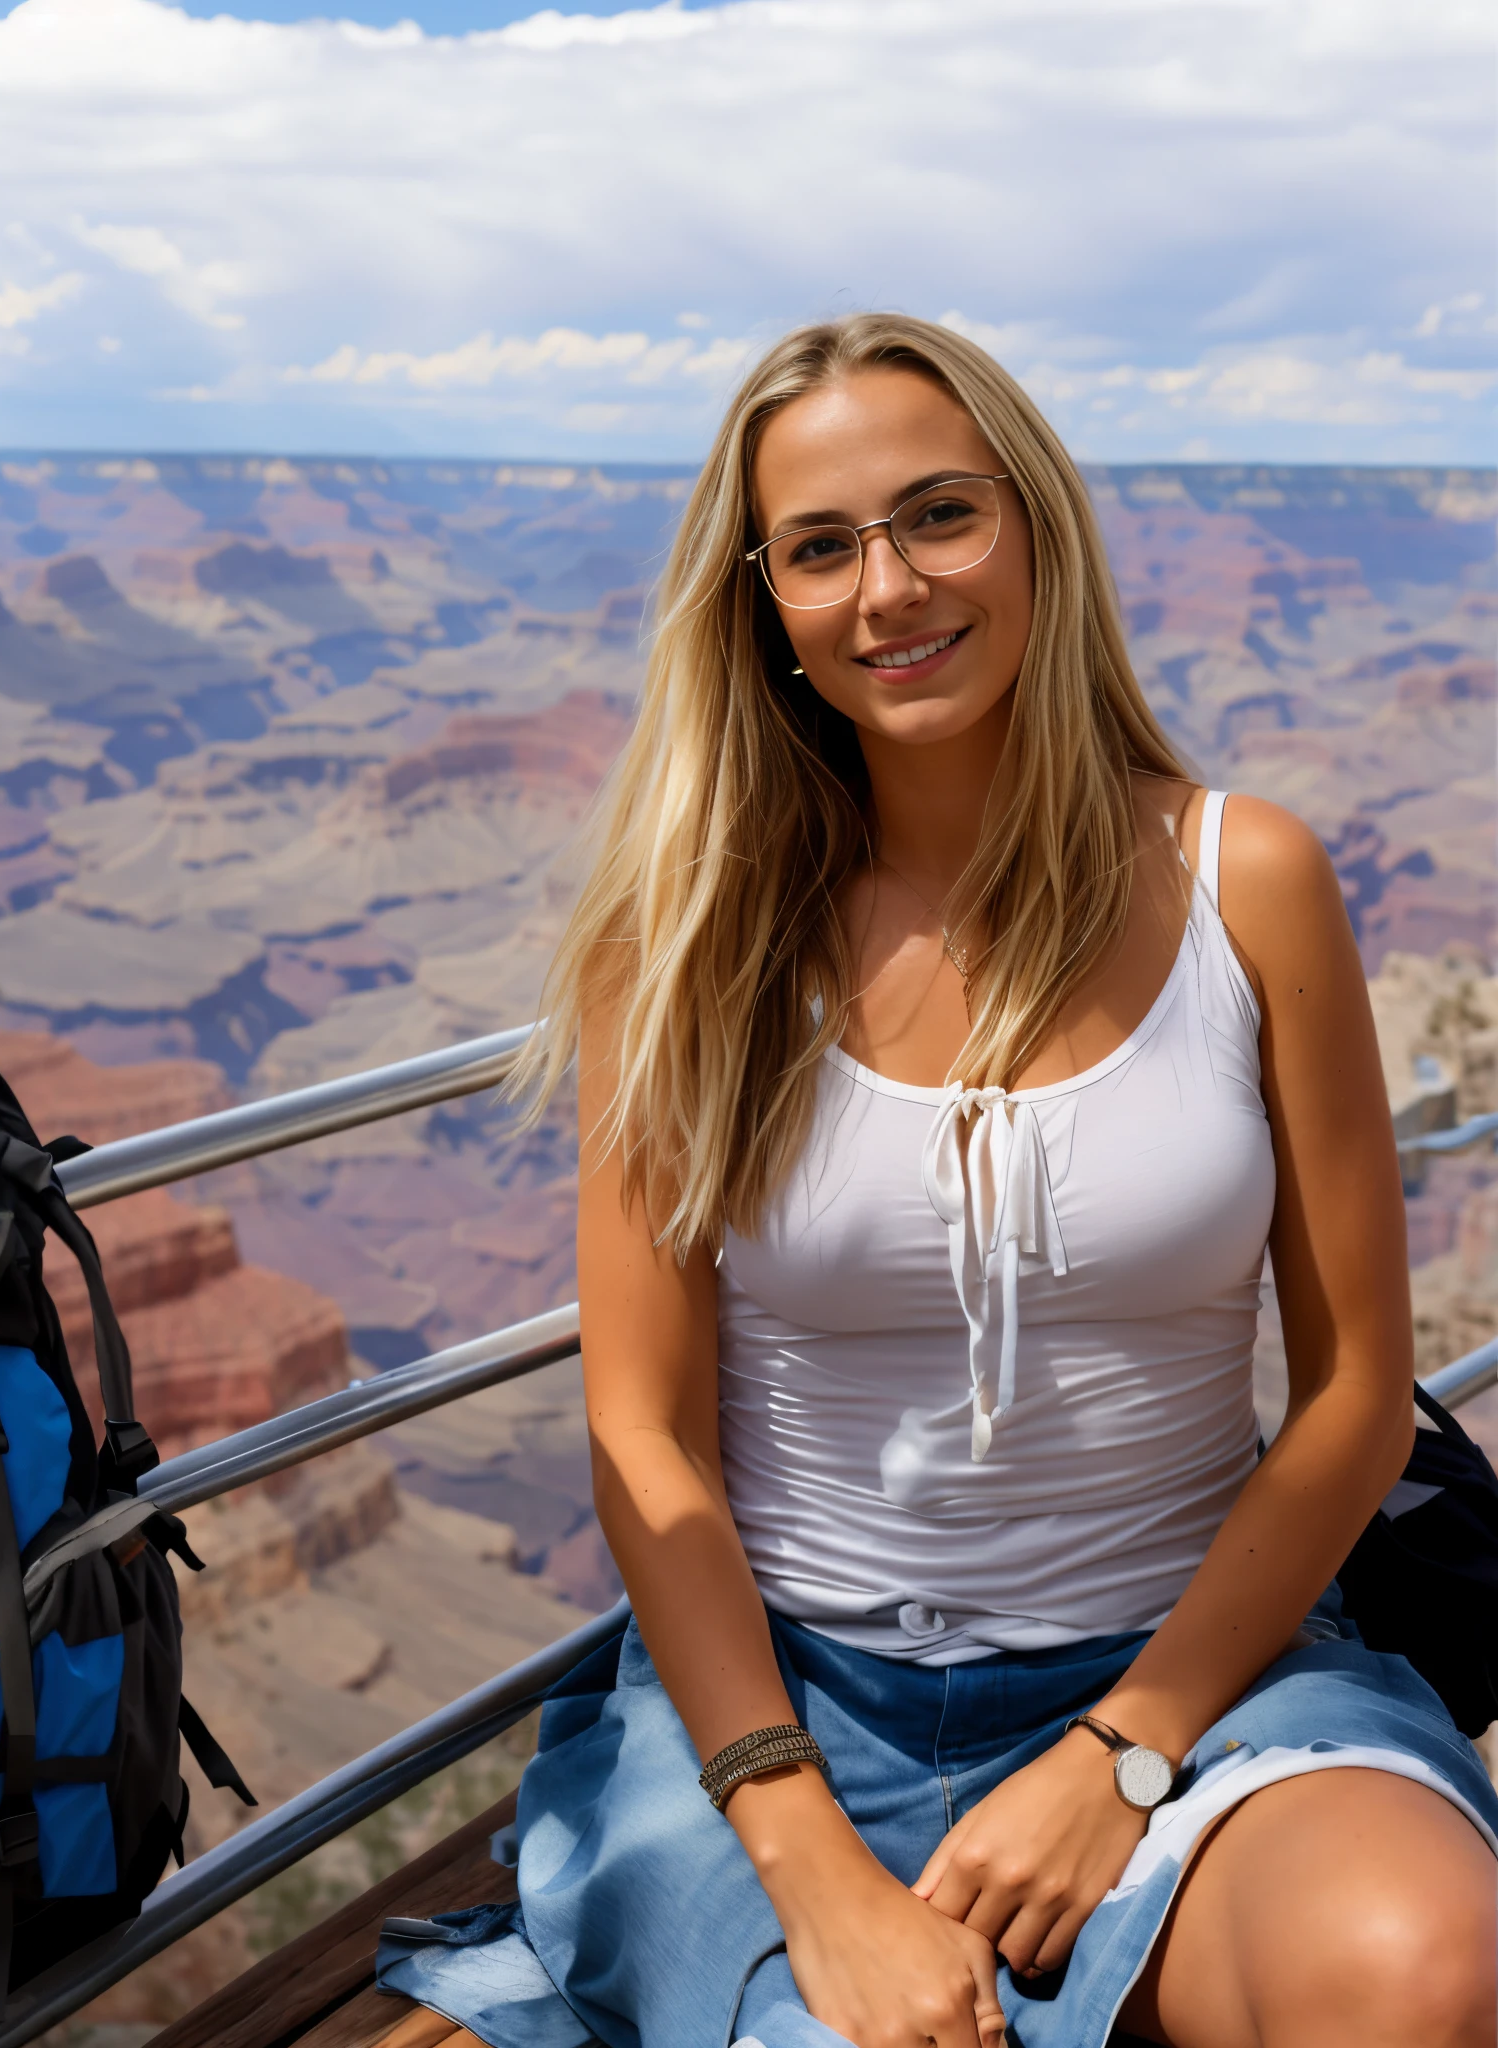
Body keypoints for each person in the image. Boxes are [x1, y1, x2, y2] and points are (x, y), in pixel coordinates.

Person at [373, 314, 1498, 2048]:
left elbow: (1354, 1390)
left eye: (938, 516)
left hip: (1196, 1677)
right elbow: (642, 1438)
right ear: (767, 608)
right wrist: (811, 1861)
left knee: (1427, 1967)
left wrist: (1121, 1753)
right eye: (821, 547)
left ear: (1036, 527)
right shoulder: (686, 951)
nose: (887, 588)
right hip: (790, 1713)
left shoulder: (1243, 883)